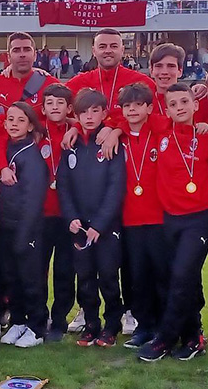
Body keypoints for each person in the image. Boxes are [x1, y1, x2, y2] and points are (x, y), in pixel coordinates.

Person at [138, 84, 208, 362]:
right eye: (173, 104)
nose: (179, 107)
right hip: (169, 218)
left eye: (184, 101)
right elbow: (127, 115)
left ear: (195, 105)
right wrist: (115, 130)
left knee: (182, 275)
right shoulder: (161, 131)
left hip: (199, 218)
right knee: (179, 278)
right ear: (166, 109)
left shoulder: (207, 136)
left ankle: (165, 339)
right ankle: (193, 336)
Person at [58, 89, 126, 347]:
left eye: (95, 111)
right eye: (83, 112)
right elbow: (63, 186)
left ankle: (112, 325)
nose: (89, 116)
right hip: (79, 225)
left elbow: (116, 187)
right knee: (84, 278)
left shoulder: (110, 143)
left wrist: (100, 224)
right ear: (75, 116)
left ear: (104, 113)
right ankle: (91, 323)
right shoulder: (70, 145)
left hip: (106, 226)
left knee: (108, 276)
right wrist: (71, 218)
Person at [115, 83, 170, 349]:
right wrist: (116, 129)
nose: (132, 110)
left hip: (159, 217)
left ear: (149, 107)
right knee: (137, 276)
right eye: (127, 106)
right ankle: (144, 326)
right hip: (130, 219)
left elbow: (176, 121)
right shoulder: (119, 137)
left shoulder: (161, 131)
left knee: (162, 274)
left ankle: (164, 326)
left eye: (138, 105)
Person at [0, 103, 50, 348]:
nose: (14, 124)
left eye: (21, 120)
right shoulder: (7, 148)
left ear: (30, 126)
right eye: (10, 119)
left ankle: (37, 327)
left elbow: (33, 199)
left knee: (30, 279)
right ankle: (18, 320)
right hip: (6, 226)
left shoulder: (32, 156)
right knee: (12, 278)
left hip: (26, 228)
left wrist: (24, 234)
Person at [36, 84, 76, 340]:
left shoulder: (77, 132)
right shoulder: (35, 132)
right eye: (49, 103)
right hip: (41, 214)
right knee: (38, 270)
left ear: (69, 108)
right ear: (42, 108)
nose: (54, 107)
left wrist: (75, 125)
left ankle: (60, 320)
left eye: (60, 103)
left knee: (65, 270)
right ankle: (39, 318)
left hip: (67, 214)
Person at [67, 29, 156, 125]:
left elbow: (155, 117)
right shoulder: (77, 83)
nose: (108, 51)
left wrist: (116, 127)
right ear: (94, 51)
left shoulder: (143, 82)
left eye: (114, 46)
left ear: (122, 50)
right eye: (102, 47)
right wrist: (76, 126)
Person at [0, 32, 60, 117]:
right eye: (16, 50)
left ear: (35, 55)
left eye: (27, 49)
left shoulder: (51, 84)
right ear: (8, 57)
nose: (22, 55)